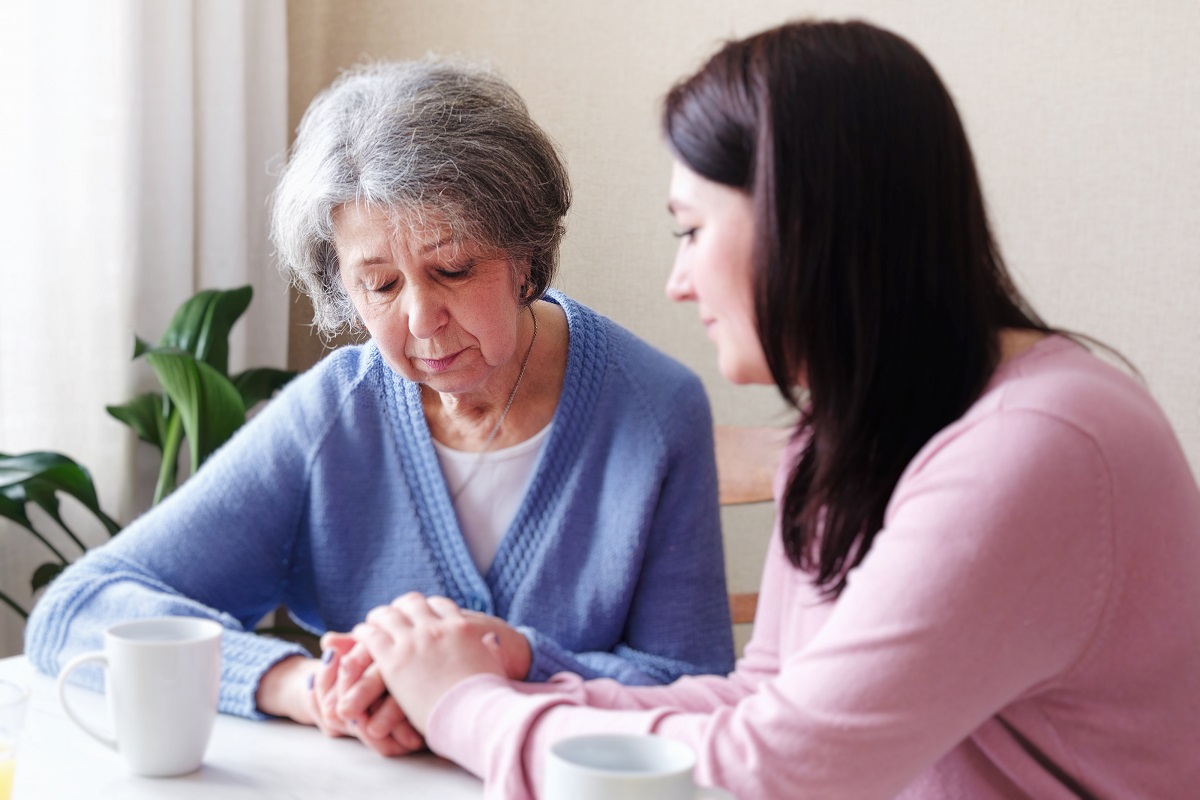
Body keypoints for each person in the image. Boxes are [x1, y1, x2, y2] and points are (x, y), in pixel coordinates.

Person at [337, 20, 1200, 798]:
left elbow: (783, 766)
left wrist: (465, 708)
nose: (678, 281)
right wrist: (511, 674)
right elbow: (766, 698)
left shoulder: (1038, 449)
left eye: (691, 230)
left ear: (804, 220)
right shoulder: (851, 431)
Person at [24, 60, 735, 757]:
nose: (422, 319)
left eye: (452, 269)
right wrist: (302, 684)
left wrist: (507, 661)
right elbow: (77, 608)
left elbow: (695, 693)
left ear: (525, 253)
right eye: (380, 285)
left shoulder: (655, 410)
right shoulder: (336, 414)